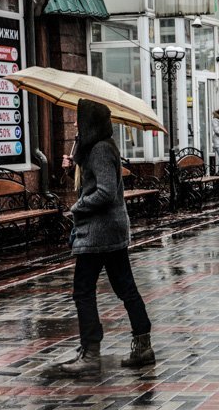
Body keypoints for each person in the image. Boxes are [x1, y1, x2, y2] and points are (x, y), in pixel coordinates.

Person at [59, 99, 154, 374]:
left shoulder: (101, 149)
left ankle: (91, 351)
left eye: (78, 118)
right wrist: (73, 163)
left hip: (99, 232)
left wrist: (77, 207)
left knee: (83, 290)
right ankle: (143, 344)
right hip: (107, 230)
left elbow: (105, 191)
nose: (75, 123)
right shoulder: (96, 147)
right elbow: (92, 182)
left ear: (90, 121)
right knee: (125, 286)